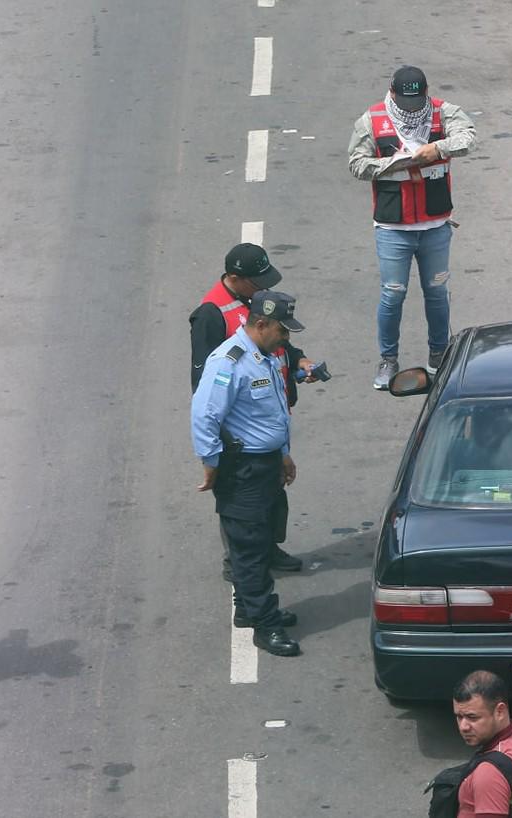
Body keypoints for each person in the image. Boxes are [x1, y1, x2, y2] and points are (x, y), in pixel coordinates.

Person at [347, 65, 478, 390]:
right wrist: (391, 164)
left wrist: (437, 148)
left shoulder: (443, 113)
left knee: (436, 292)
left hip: (434, 224)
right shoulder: (371, 119)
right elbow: (356, 163)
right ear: (392, 93)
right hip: (394, 227)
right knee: (393, 294)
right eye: (405, 103)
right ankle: (388, 360)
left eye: (416, 102)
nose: (411, 109)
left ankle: (439, 355)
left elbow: (468, 138)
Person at [190, 242, 314, 582]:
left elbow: (279, 339)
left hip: (269, 415)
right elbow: (204, 384)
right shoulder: (211, 314)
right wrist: (217, 447)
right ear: (234, 278)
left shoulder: (254, 303)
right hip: (242, 432)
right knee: (242, 507)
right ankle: (239, 562)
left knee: (272, 494)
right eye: (256, 281)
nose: (264, 287)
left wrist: (297, 358)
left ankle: (268, 549)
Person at [191, 291, 305, 657]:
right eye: (282, 331)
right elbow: (205, 415)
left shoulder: (264, 356)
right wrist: (211, 464)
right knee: (251, 549)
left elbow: (271, 414)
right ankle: (265, 625)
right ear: (261, 324)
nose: (285, 338)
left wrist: (283, 455)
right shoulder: (229, 361)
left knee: (259, 538)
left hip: (266, 463)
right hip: (242, 470)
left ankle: (247, 608)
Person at [452, 670, 512, 818]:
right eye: (459, 716)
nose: (463, 726)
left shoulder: (489, 773)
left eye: (472, 717)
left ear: (500, 711)